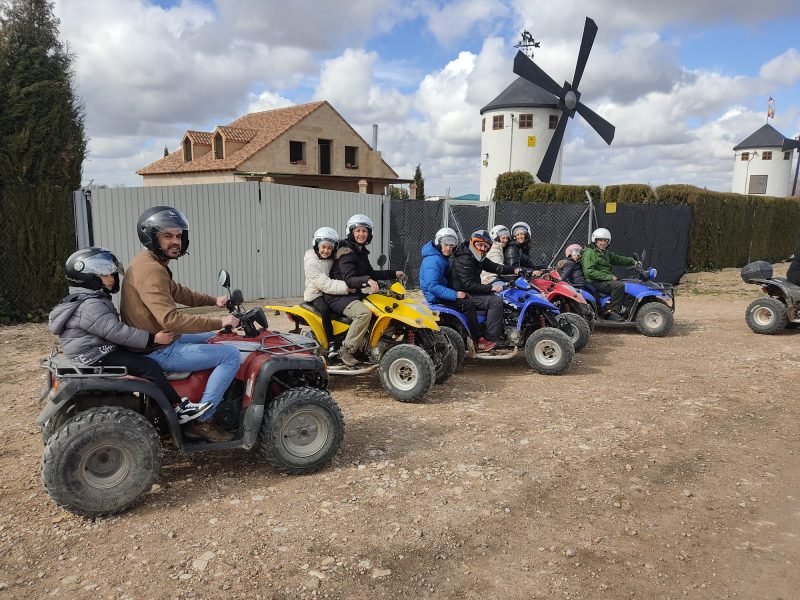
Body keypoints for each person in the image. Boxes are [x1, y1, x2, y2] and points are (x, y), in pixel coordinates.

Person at [48, 247, 211, 424]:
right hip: (97, 356)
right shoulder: (91, 305)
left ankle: (159, 407)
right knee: (149, 367)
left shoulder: (85, 300)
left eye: (112, 274)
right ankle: (178, 408)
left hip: (91, 353)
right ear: (87, 278)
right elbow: (116, 332)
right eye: (105, 275)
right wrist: (153, 338)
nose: (111, 279)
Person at [121, 206, 241, 443]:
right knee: (230, 355)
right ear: (152, 236)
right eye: (168, 236)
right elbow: (172, 319)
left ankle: (199, 396)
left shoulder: (150, 262)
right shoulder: (152, 270)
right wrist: (221, 320)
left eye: (178, 236)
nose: (175, 241)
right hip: (157, 349)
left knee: (211, 337)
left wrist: (214, 300)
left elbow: (178, 292)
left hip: (159, 339)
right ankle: (201, 420)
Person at [325, 214, 404, 367]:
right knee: (364, 313)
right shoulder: (346, 251)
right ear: (351, 232)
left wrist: (393, 273)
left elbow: (371, 273)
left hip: (352, 294)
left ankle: (366, 347)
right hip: (339, 296)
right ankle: (346, 350)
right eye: (358, 231)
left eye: (364, 231)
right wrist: (367, 280)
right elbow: (349, 279)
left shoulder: (360, 251)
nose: (361, 234)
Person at [420, 228, 489, 352]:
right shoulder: (433, 260)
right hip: (435, 295)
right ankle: (477, 339)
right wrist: (455, 294)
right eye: (445, 245)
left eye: (451, 246)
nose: (448, 248)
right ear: (438, 243)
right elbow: (432, 287)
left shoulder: (440, 256)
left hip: (441, 291)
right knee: (468, 304)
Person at [450, 230, 519, 351]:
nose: (482, 248)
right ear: (473, 243)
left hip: (471, 291)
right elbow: (468, 285)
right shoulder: (465, 258)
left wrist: (515, 270)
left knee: (502, 295)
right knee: (495, 301)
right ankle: (491, 338)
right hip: (464, 293)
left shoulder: (477, 258)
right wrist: (490, 287)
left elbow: (496, 267)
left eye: (485, 246)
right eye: (479, 244)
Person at [304, 227, 350, 355]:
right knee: (325, 310)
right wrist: (349, 287)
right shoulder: (311, 262)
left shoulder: (331, 257)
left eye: (329, 248)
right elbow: (325, 285)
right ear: (316, 246)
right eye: (323, 247)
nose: (326, 250)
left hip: (329, 292)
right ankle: (331, 343)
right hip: (316, 294)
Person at [581, 227, 636, 321]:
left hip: (603, 279)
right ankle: (611, 312)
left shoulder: (604, 253)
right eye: (600, 240)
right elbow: (589, 272)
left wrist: (633, 261)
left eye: (605, 241)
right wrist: (609, 276)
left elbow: (617, 259)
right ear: (595, 240)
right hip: (594, 281)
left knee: (627, 283)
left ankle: (624, 308)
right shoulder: (589, 253)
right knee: (618, 286)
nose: (602, 243)